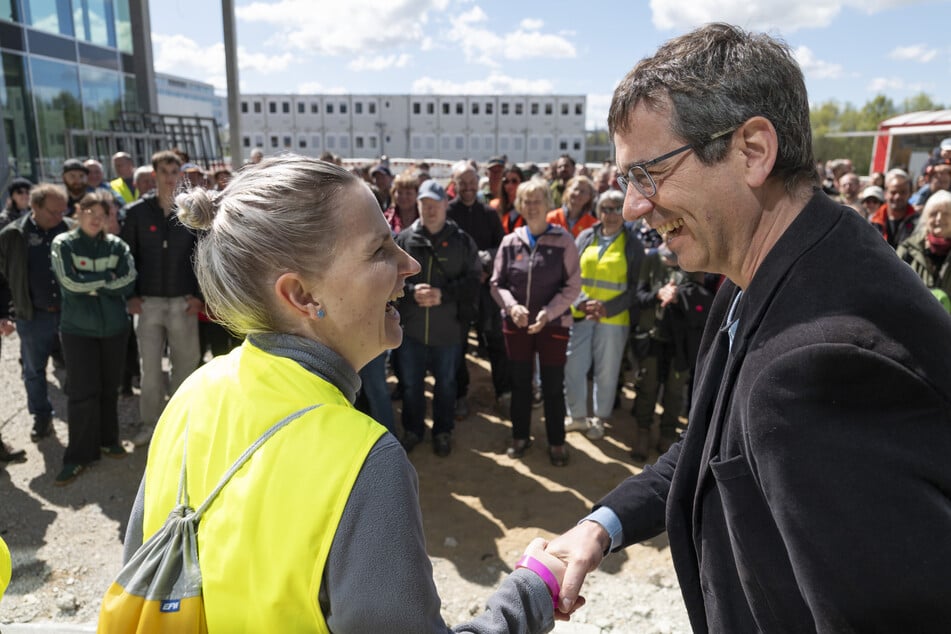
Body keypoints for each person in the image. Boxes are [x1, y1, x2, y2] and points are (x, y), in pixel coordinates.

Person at [544, 23, 951, 631]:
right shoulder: (764, 264)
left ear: (753, 150)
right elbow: (714, 443)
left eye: (647, 173)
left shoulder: (815, 368)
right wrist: (602, 526)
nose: (632, 205)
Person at [121, 155, 571, 632]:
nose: (410, 264)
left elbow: (143, 571)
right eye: (380, 251)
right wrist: (531, 592)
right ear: (302, 295)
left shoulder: (193, 392)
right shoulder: (363, 459)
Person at [490, 179, 581, 466]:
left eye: (537, 200)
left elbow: (573, 286)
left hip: (552, 325)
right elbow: (496, 284)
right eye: (526, 201)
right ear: (519, 205)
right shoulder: (510, 241)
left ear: (547, 204)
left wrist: (549, 313)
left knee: (553, 385)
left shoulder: (563, 240)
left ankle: (556, 441)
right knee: (520, 383)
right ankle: (520, 436)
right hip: (516, 326)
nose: (531, 206)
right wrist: (512, 306)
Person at [49, 191, 136, 485]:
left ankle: (108, 440)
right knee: (83, 392)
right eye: (90, 212)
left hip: (114, 328)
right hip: (78, 331)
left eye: (102, 214)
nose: (96, 219)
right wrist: (106, 283)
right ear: (78, 212)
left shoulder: (117, 246)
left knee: (109, 388)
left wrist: (94, 285)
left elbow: (128, 280)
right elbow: (69, 282)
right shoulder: (64, 244)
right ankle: (78, 456)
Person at [121, 150, 202, 447]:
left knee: (185, 367)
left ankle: (180, 429)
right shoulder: (136, 213)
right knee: (151, 371)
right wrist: (130, 296)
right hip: (149, 303)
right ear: (154, 174)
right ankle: (151, 425)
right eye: (164, 171)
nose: (170, 177)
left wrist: (199, 297)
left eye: (174, 171)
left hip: (184, 302)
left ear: (180, 174)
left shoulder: (191, 213)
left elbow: (201, 257)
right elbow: (126, 258)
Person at [395, 180, 481, 456]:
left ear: (446, 204)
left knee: (446, 385)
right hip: (411, 331)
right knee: (410, 385)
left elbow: (473, 282)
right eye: (424, 204)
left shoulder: (462, 241)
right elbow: (387, 281)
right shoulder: (403, 241)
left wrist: (444, 294)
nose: (430, 209)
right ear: (417, 205)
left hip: (448, 332)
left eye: (435, 204)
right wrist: (410, 292)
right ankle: (413, 429)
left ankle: (443, 432)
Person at [563, 190, 644, 440]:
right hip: (582, 314)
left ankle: (599, 418)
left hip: (613, 320)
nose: (610, 214)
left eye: (616, 208)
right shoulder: (586, 236)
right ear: (598, 211)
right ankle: (576, 416)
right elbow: (571, 276)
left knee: (606, 372)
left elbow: (635, 289)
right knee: (574, 367)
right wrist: (583, 302)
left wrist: (607, 308)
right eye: (605, 208)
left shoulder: (633, 245)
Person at [0, 184, 72, 442]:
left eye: (62, 211)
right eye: (53, 212)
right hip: (32, 315)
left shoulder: (69, 228)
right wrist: (3, 313)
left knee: (77, 366)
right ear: (35, 207)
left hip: (69, 314)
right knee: (33, 370)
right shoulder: (13, 235)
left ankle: (80, 415)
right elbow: (2, 278)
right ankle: (42, 416)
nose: (58, 217)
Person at [627, 245, 713, 461]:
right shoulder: (652, 259)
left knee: (675, 392)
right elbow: (639, 295)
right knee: (647, 387)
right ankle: (643, 433)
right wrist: (659, 293)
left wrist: (679, 295)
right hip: (652, 337)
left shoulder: (693, 257)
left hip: (680, 344)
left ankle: (667, 436)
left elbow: (703, 299)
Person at [447, 162, 509, 416]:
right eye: (463, 183)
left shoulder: (488, 213)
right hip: (461, 289)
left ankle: (504, 392)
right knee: (459, 345)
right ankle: (460, 395)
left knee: (495, 341)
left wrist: (485, 265)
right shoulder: (448, 213)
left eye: (472, 182)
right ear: (455, 184)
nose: (469, 188)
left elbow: (502, 247)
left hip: (486, 287)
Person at [897, 189, 951, 309]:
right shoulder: (908, 249)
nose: (938, 219)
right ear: (925, 217)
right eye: (933, 213)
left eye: (946, 214)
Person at [870, 169, 918, 249]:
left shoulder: (918, 223)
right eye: (893, 192)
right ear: (885, 193)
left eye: (903, 192)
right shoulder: (873, 222)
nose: (897, 197)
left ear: (910, 194)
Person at [490, 163, 526, 234]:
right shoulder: (495, 206)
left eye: (514, 181)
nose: (510, 185)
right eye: (506, 181)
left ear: (521, 182)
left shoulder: (527, 206)